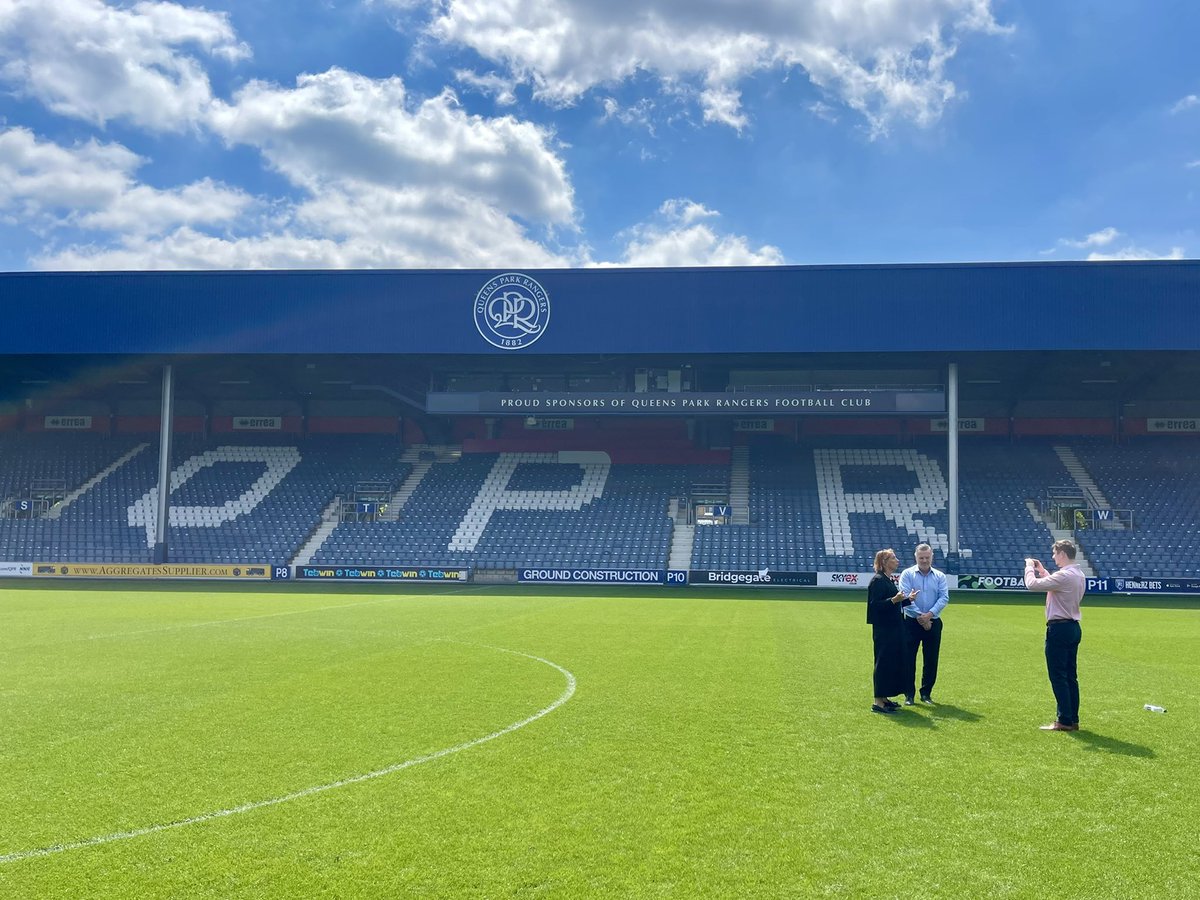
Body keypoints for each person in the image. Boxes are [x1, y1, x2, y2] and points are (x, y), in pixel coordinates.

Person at [1024, 539, 1086, 732]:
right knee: (1069, 676)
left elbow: (1032, 585)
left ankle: (1064, 720)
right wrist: (1043, 572)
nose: (1053, 557)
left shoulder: (1065, 575)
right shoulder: (1078, 574)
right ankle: (1072, 718)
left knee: (1058, 675)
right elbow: (1056, 585)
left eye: (1055, 553)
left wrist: (1029, 568)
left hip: (1059, 629)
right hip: (1072, 627)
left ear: (1062, 554)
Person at [866, 548, 917, 715]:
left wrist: (908, 600)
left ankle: (884, 698)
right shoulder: (878, 581)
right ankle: (877, 702)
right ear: (884, 562)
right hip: (884, 630)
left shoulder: (887, 580)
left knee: (890, 663)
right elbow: (875, 606)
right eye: (893, 558)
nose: (897, 560)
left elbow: (893, 605)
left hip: (894, 629)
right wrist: (895, 599)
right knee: (883, 664)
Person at [899, 543, 950, 705]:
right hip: (911, 623)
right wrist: (921, 617)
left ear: (932, 557)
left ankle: (926, 693)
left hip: (933, 622)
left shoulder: (940, 576)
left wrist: (929, 615)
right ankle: (909, 695)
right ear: (916, 557)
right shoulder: (907, 574)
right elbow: (905, 597)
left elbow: (944, 598)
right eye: (921, 557)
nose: (924, 560)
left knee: (931, 659)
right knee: (908, 659)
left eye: (927, 557)